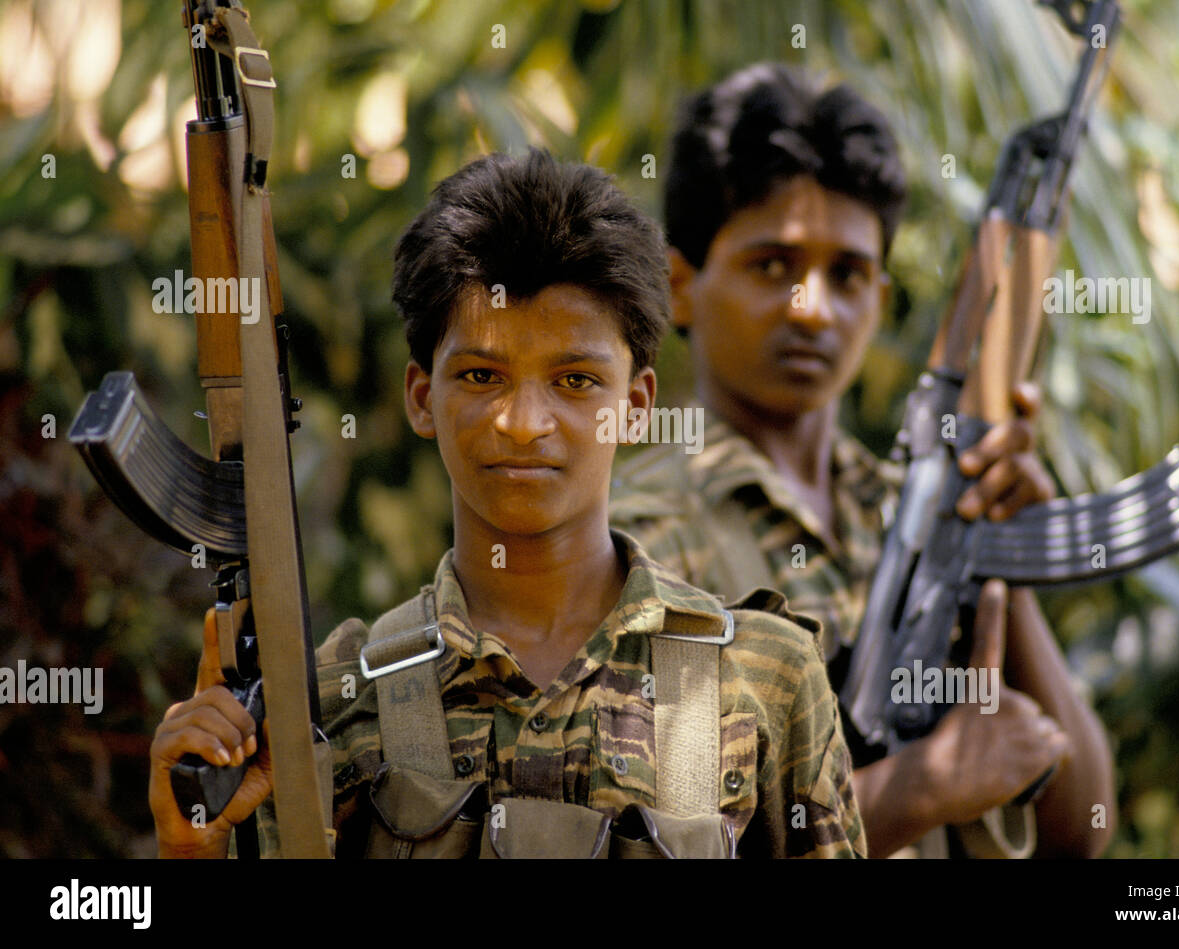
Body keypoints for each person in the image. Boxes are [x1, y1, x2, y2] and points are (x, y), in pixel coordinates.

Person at [147, 148, 866, 859]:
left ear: (637, 404)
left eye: (576, 380)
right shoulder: (333, 703)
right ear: (423, 397)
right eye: (483, 374)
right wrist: (191, 850)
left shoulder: (763, 679)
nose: (524, 422)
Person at [608, 64, 1116, 858]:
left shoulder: (907, 506)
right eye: (771, 264)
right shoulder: (636, 543)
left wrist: (996, 564)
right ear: (678, 286)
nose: (812, 308)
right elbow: (671, 846)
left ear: (880, 298)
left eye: (846, 274)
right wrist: (922, 786)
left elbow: (1080, 829)